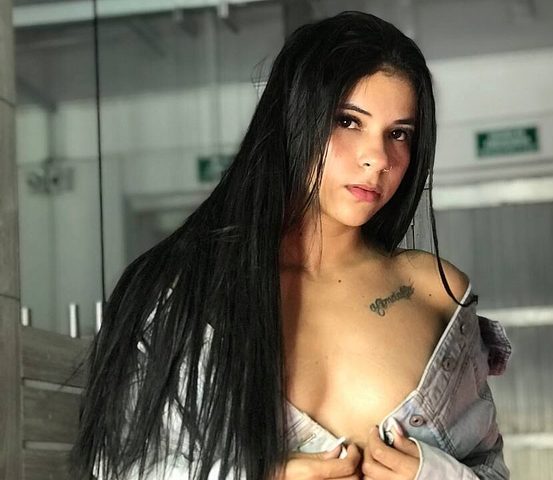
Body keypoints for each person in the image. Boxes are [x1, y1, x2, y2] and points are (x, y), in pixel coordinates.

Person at [71, 10, 511, 480]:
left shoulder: (434, 291)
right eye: (348, 121)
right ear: (293, 120)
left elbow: (491, 470)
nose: (378, 158)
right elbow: (117, 467)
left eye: (398, 133)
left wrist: (437, 475)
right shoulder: (181, 295)